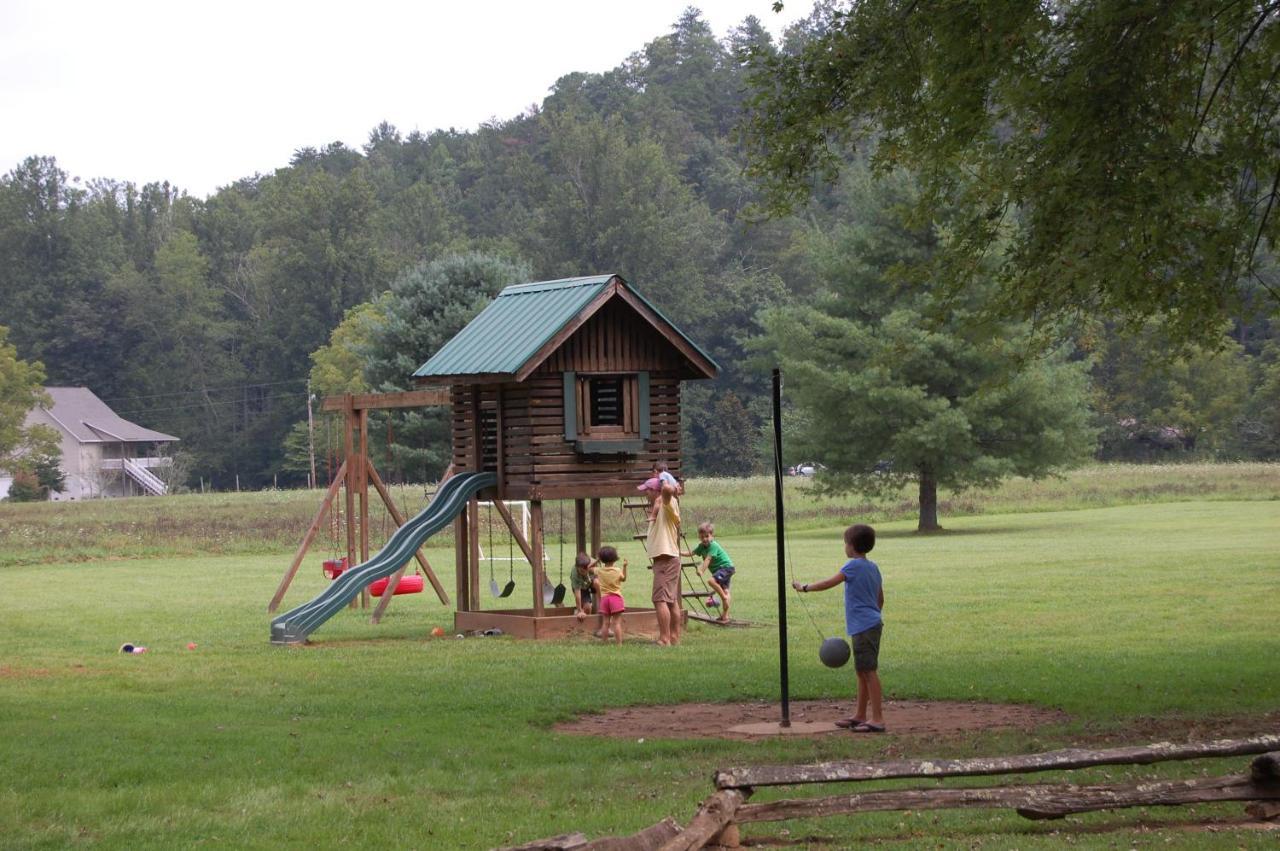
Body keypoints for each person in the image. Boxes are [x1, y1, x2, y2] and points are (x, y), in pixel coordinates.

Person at [792, 524, 885, 733]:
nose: (845, 546)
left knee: (869, 672)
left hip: (864, 626)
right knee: (862, 672)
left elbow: (828, 583)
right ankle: (860, 715)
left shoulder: (852, 566)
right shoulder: (873, 567)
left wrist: (804, 587)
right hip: (871, 623)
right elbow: (880, 599)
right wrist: (872, 615)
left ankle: (877, 718)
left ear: (851, 546)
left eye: (845, 543)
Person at [646, 477, 682, 645]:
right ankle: (674, 637)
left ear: (656, 491)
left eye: (647, 490)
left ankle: (664, 639)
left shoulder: (667, 504)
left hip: (666, 559)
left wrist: (670, 487)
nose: (645, 493)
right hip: (666, 559)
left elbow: (667, 490)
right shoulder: (661, 508)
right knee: (671, 600)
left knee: (659, 600)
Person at [685, 522, 734, 623]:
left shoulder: (713, 545)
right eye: (702, 537)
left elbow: (708, 559)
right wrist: (678, 552)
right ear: (699, 537)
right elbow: (691, 553)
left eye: (707, 536)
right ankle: (725, 616)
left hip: (726, 567)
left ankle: (723, 598)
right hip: (722, 570)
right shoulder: (701, 546)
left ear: (712, 536)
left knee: (711, 581)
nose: (704, 539)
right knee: (726, 591)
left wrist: (701, 571)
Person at [591, 546, 627, 645]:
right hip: (616, 598)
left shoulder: (599, 570)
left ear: (602, 559)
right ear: (615, 558)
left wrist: (597, 559)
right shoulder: (617, 570)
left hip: (604, 599)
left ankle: (604, 642)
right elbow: (623, 579)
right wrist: (624, 567)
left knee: (605, 623)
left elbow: (588, 568)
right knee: (616, 623)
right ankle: (619, 644)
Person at [570, 552, 596, 622]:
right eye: (582, 571)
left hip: (590, 582)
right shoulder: (575, 574)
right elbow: (577, 594)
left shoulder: (591, 563)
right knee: (587, 607)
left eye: (586, 570)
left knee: (597, 583)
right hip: (582, 588)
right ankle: (579, 613)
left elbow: (598, 560)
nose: (584, 572)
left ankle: (603, 605)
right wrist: (579, 610)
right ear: (577, 566)